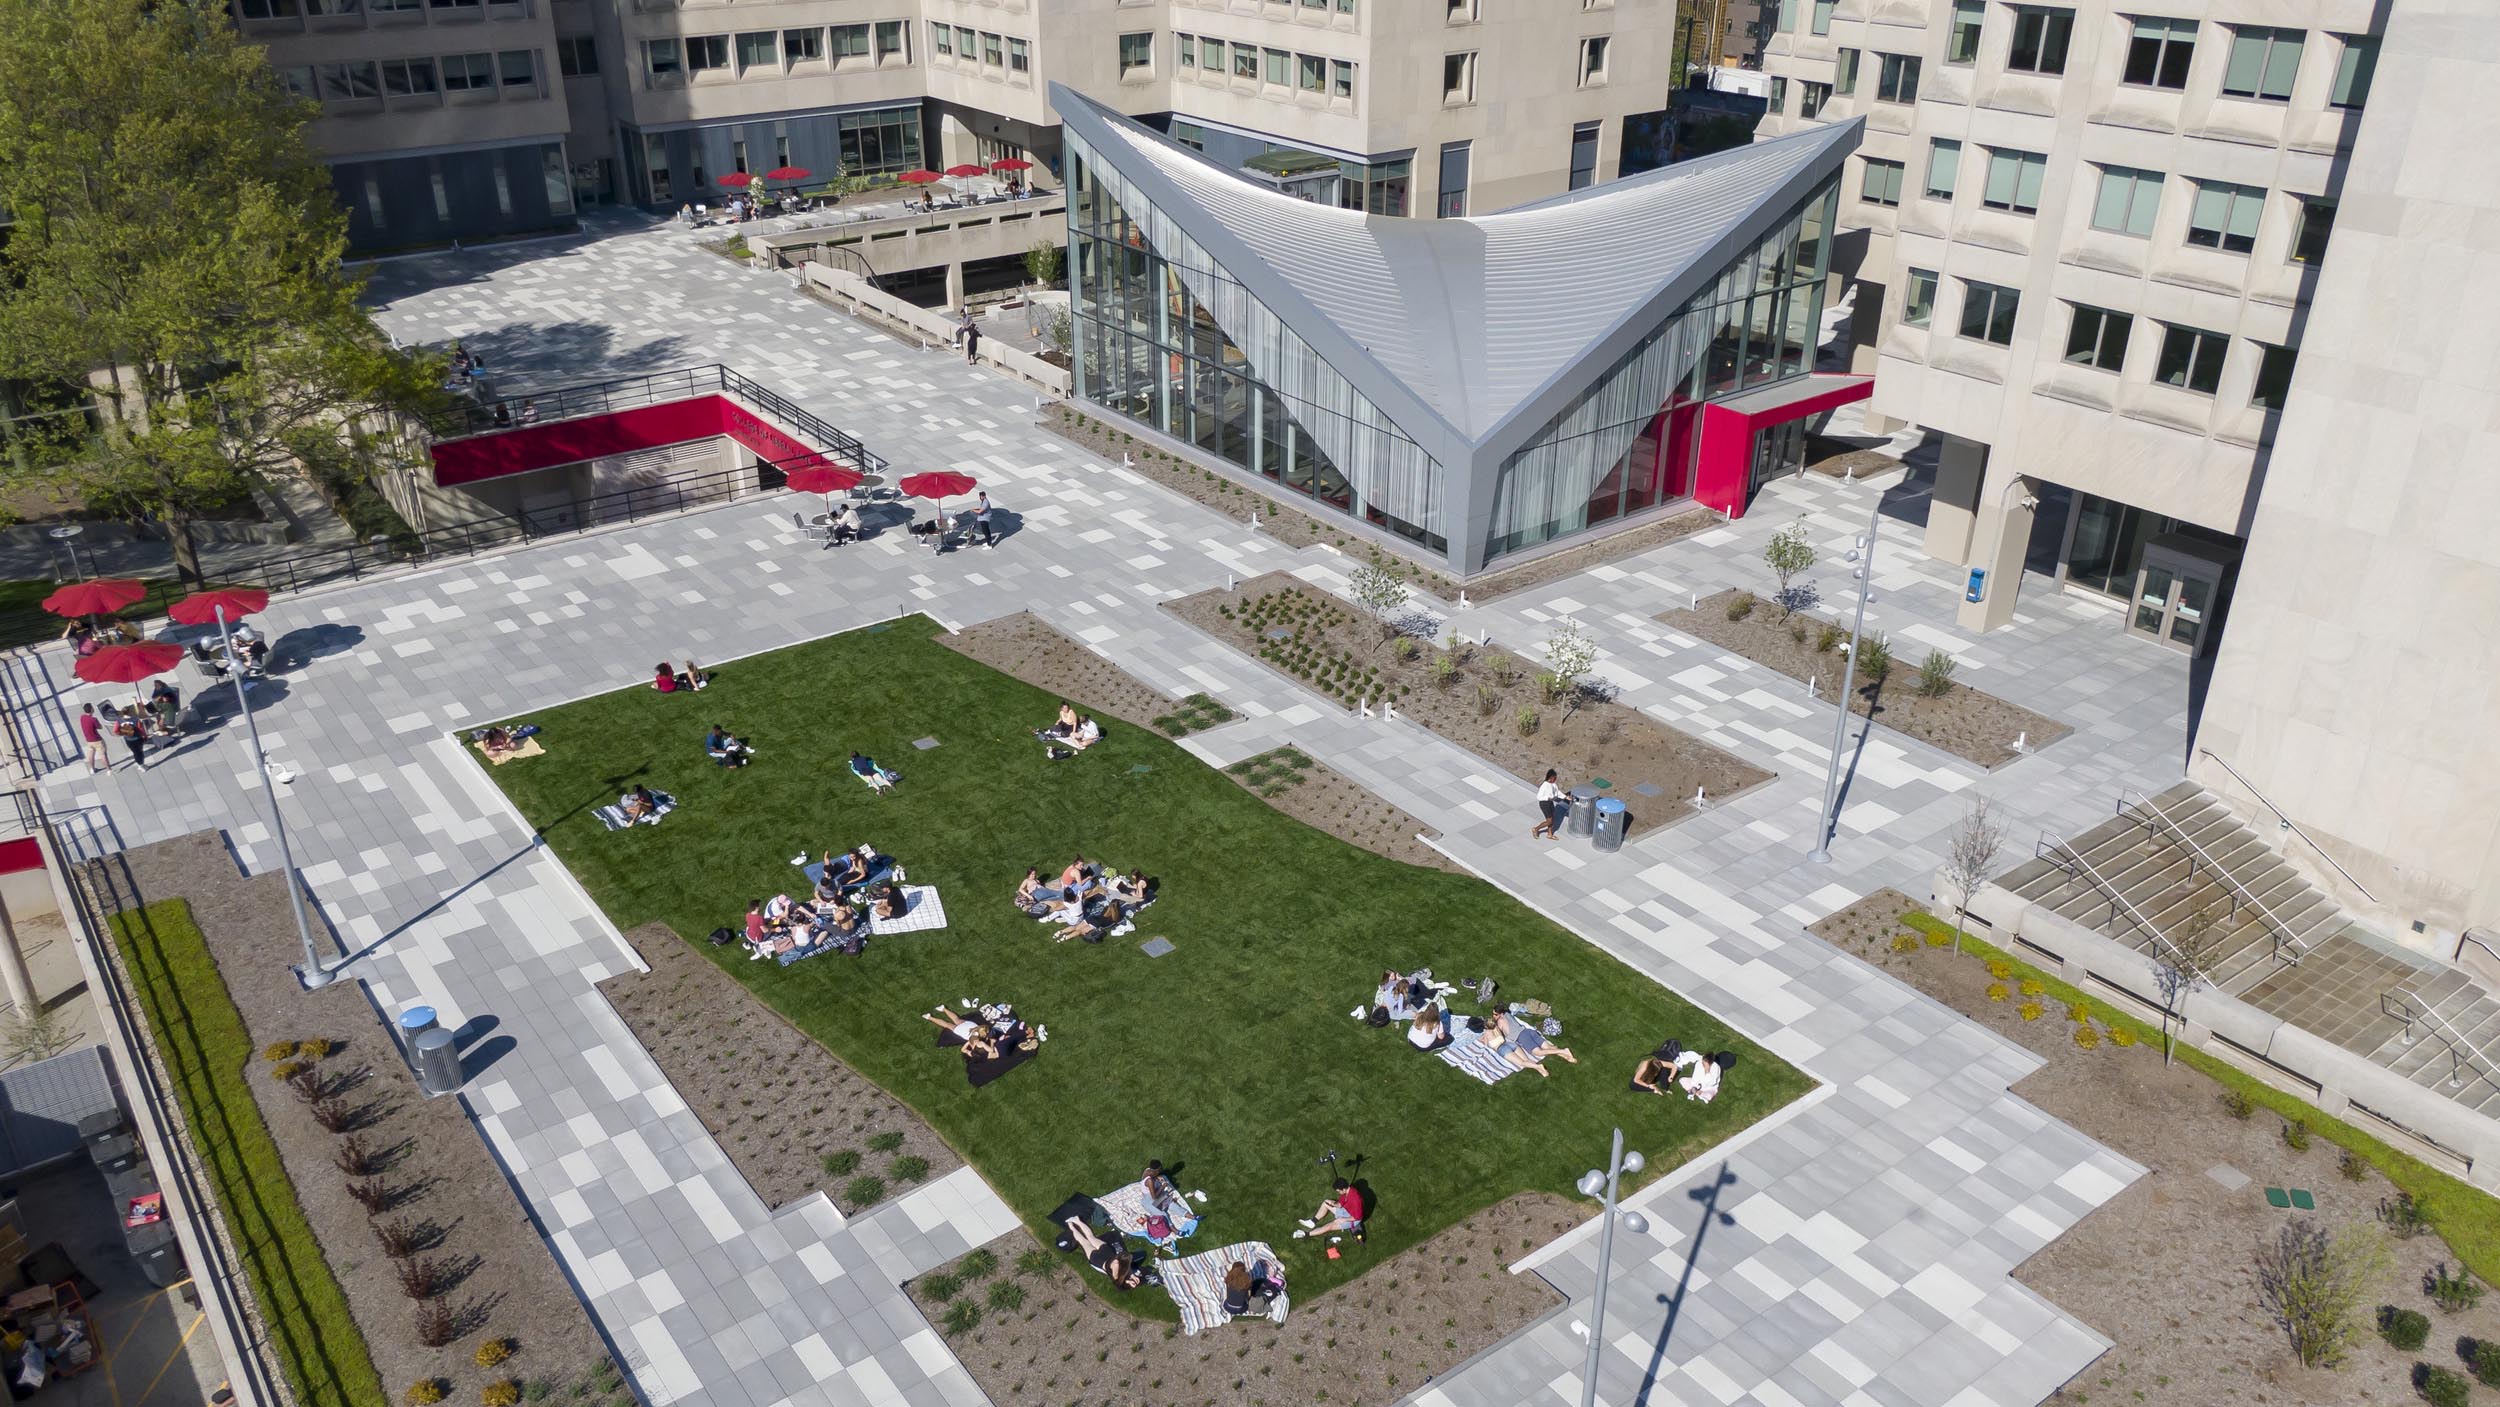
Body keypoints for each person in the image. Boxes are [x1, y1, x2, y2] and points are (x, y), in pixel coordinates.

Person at [1062, 1218, 1143, 1290]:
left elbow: (1121, 1272)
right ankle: (1073, 1224)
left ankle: (1074, 1223)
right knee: (1086, 1240)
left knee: (1088, 1239)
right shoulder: (1122, 1272)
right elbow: (1123, 1271)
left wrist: (1130, 1277)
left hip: (1100, 1257)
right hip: (1101, 1257)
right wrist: (1132, 1276)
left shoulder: (1118, 1271)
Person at [1490, 1010, 1578, 1077]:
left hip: (1522, 1037)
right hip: (1528, 1031)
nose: (1493, 1016)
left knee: (1537, 1052)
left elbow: (1500, 1036)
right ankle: (1567, 1056)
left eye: (1495, 1014)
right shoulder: (1507, 1014)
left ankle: (1563, 1051)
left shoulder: (1500, 1022)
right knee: (1548, 1047)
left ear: (1501, 1014)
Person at [1292, 1179, 1365, 1240]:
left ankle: (1305, 1234)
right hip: (1346, 1211)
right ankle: (1312, 1222)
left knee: (1329, 1226)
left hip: (1352, 1219)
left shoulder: (1356, 1200)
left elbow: (1357, 1217)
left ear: (1344, 1189)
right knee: (1326, 1203)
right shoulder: (1346, 1191)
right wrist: (1333, 1204)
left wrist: (1343, 1219)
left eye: (1338, 1191)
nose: (1338, 1193)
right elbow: (1340, 1204)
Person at [1531, 768, 1566, 840]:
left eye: (1556, 778)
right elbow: (1539, 797)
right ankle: (1536, 829)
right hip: (1544, 804)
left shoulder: (1554, 785)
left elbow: (1557, 792)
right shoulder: (1544, 785)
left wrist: (1565, 797)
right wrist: (1547, 798)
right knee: (1549, 821)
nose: (1555, 779)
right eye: (1554, 778)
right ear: (1550, 777)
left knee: (1552, 819)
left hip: (1550, 803)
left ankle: (1549, 834)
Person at [78, 703, 106, 773]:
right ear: (91, 709)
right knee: (103, 755)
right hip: (97, 740)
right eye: (92, 707)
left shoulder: (82, 717)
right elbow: (100, 727)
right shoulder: (93, 719)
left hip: (89, 740)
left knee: (91, 754)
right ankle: (108, 769)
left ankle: (92, 769)